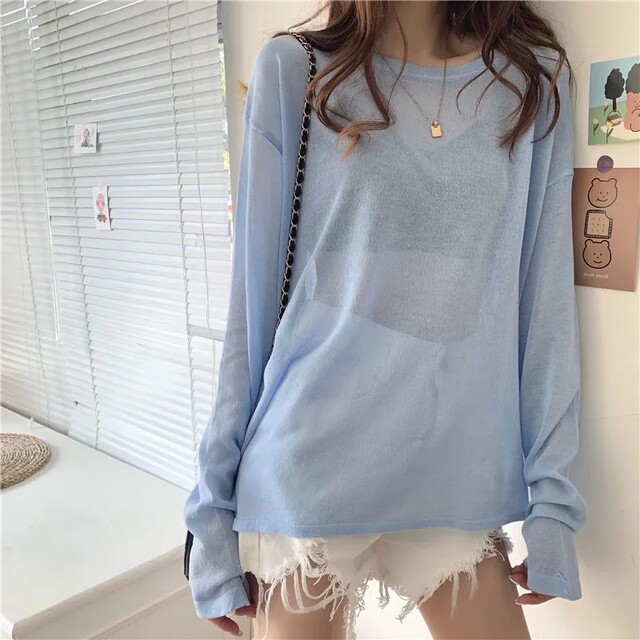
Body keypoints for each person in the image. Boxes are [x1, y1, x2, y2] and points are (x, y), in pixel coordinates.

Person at [183, 1, 588, 638]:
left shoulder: (531, 82)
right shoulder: (296, 71)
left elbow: (545, 310)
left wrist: (554, 505)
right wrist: (210, 516)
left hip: (454, 474)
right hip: (308, 469)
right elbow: (250, 312)